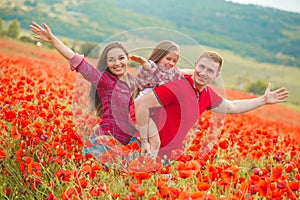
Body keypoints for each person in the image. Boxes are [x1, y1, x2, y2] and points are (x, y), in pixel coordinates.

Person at [134, 51, 289, 158]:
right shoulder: (179, 86)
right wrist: (145, 142)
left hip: (165, 157)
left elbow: (232, 107)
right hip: (143, 150)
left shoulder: (206, 94)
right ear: (195, 65)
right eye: (201, 67)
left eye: (210, 70)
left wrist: (263, 100)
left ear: (217, 75)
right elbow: (141, 104)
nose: (203, 72)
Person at [30, 22, 138, 158]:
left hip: (128, 147)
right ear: (107, 63)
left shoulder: (137, 84)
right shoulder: (105, 81)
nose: (117, 63)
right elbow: (80, 63)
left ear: (128, 58)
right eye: (111, 60)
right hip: (103, 146)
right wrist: (53, 40)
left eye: (121, 58)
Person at [130, 40, 193, 156]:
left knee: (152, 142)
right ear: (159, 56)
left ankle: (145, 165)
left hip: (151, 112)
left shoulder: (170, 73)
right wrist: (143, 61)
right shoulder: (154, 68)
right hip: (140, 111)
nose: (171, 63)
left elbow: (183, 71)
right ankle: (148, 167)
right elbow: (148, 66)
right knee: (154, 142)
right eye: (168, 59)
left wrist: (198, 72)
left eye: (174, 60)